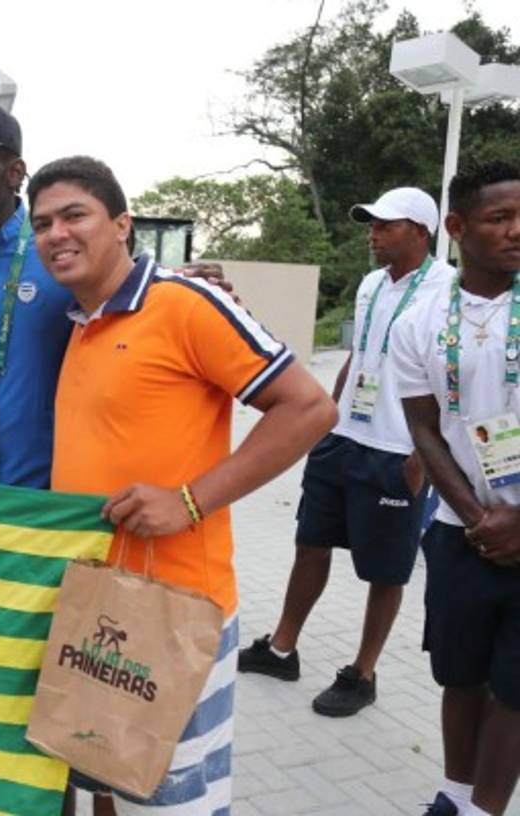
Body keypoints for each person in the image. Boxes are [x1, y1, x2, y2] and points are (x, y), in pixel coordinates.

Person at [28, 156, 336, 816]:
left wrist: (190, 501)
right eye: (43, 223)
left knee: (173, 801)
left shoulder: (185, 303)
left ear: (122, 225)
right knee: (102, 780)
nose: (56, 234)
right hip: (97, 606)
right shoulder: (81, 321)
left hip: (176, 612)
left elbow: (309, 408)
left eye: (74, 215)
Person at [0, 97, 233, 488]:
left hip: (58, 493)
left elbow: (130, 301)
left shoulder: (63, 254)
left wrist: (178, 283)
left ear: (15, 173)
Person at [238, 187, 453, 717]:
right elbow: (359, 355)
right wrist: (325, 419)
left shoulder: (448, 290)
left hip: (398, 450)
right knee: (310, 543)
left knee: (386, 570)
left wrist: (424, 457)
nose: (372, 234)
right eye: (370, 224)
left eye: (384, 225)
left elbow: (452, 380)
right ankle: (281, 650)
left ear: (419, 232)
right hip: (343, 441)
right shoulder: (372, 283)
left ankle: (363, 673)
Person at [392, 161, 520, 816]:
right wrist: (478, 519)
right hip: (459, 534)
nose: (517, 230)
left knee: (516, 688)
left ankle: (484, 810)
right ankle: (456, 793)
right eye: (501, 218)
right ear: (458, 227)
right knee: (460, 673)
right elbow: (424, 429)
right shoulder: (420, 322)